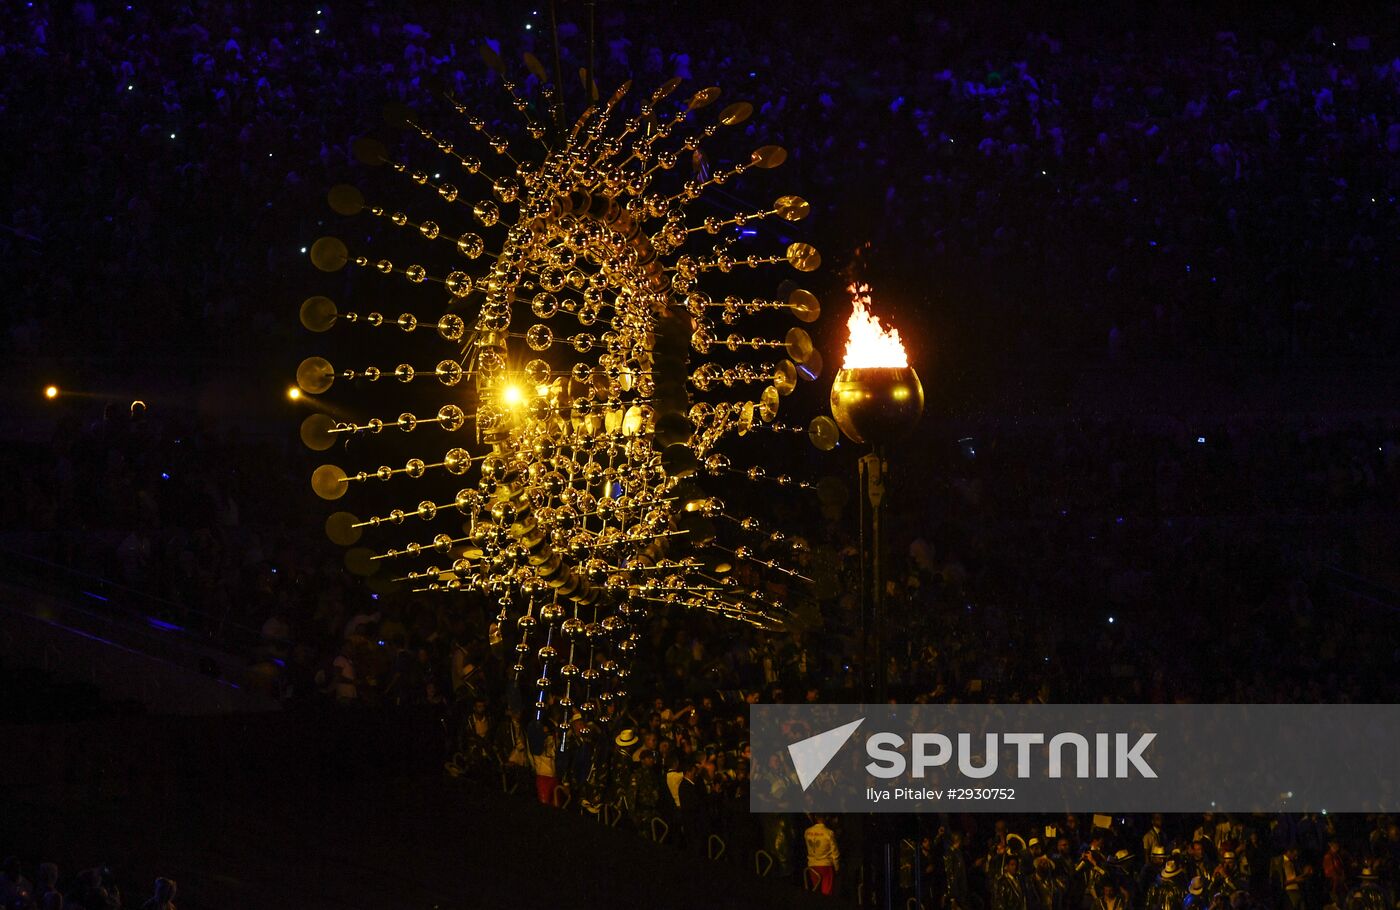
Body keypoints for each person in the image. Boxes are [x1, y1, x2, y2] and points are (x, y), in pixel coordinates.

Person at [804, 815, 840, 896]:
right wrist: (837, 867)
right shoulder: (829, 833)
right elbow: (835, 853)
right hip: (826, 865)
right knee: (826, 893)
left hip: (812, 865)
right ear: (826, 817)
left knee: (816, 890)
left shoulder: (807, 831)